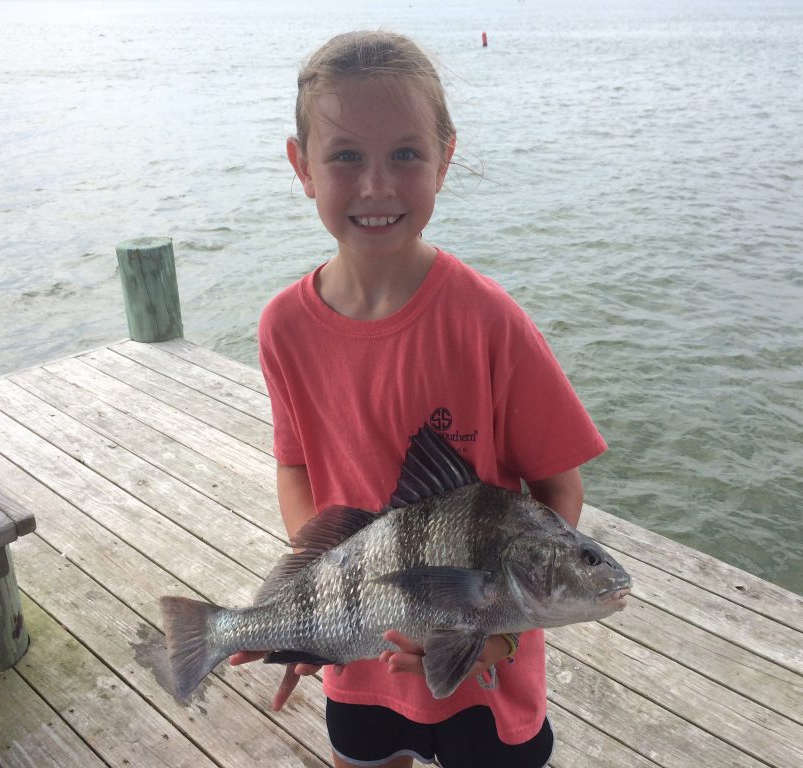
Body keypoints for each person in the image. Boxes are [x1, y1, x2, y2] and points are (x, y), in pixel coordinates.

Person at [234, 30, 607, 768]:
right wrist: (315, 613)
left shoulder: (489, 321)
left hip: (485, 676)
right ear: (300, 166)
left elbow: (558, 487)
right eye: (346, 156)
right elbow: (297, 467)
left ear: (446, 157)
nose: (377, 185)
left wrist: (496, 637)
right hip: (360, 658)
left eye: (406, 153)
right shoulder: (283, 326)